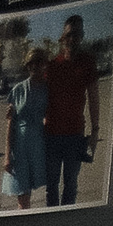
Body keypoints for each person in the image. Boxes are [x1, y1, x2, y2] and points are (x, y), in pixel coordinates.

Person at [41, 16, 99, 210]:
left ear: (82, 36)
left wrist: (95, 130)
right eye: (69, 35)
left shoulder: (87, 63)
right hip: (51, 135)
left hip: (75, 135)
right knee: (51, 187)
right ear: (62, 38)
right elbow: (40, 97)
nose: (73, 39)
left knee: (71, 186)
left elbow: (93, 97)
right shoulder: (51, 66)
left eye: (77, 34)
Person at [0, 37, 48, 209]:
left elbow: (50, 116)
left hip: (38, 144)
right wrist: (7, 155)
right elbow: (10, 123)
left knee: (32, 192)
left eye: (38, 62)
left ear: (44, 64)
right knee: (22, 196)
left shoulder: (48, 89)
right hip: (19, 146)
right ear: (27, 66)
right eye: (31, 63)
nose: (35, 66)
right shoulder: (18, 90)